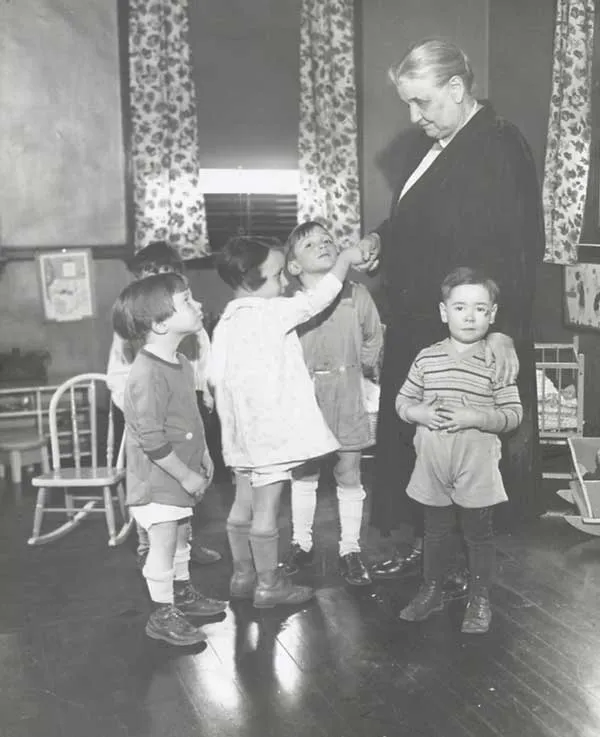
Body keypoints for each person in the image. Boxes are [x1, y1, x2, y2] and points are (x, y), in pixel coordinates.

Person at [361, 38, 544, 582]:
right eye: (408, 104)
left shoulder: (498, 143)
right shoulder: (434, 145)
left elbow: (519, 244)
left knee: (466, 447)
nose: (414, 117)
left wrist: (502, 329)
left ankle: (465, 562)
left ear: (458, 88)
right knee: (425, 442)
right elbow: (417, 220)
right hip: (421, 323)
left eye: (422, 102)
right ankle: (430, 551)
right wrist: (380, 237)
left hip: (469, 326)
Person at [209, 235, 369, 608]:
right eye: (277, 275)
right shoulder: (271, 312)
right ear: (251, 280)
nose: (284, 283)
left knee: (242, 504)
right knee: (266, 510)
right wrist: (345, 259)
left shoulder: (226, 322)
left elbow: (214, 378)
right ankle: (269, 585)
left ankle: (242, 575)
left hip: (238, 434)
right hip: (270, 435)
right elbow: (318, 297)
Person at [395, 267, 522, 633]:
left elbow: (513, 415)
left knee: (478, 534)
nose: (469, 317)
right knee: (434, 531)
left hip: (476, 463)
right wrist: (418, 412)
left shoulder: (496, 360)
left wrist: (476, 417)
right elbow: (402, 401)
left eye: (480, 309)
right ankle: (431, 590)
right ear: (443, 311)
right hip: (433, 460)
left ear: (492, 314)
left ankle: (479, 598)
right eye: (460, 307)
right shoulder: (427, 358)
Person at [112, 273, 227, 646]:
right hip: (157, 479)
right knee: (162, 544)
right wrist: (186, 476)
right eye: (187, 301)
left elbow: (190, 418)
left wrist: (204, 454)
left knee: (179, 537)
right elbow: (151, 440)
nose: (198, 305)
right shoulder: (146, 373)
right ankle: (162, 613)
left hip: (180, 473)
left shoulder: (181, 362)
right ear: (160, 324)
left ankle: (182, 594)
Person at [106, 241, 221, 569]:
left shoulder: (188, 320)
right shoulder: (134, 330)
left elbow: (203, 361)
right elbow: (119, 375)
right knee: (155, 484)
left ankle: (185, 541)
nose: (156, 280)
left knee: (188, 476)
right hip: (149, 411)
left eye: (165, 274)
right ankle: (149, 545)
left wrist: (206, 393)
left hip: (186, 405)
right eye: (148, 275)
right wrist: (137, 412)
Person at [281, 221, 384, 586]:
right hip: (306, 399)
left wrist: (362, 372)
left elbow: (373, 337)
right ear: (294, 266)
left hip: (347, 394)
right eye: (310, 244)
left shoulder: (357, 295)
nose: (323, 245)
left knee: (349, 471)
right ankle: (301, 542)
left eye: (327, 240)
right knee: (304, 472)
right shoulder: (291, 305)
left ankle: (350, 549)